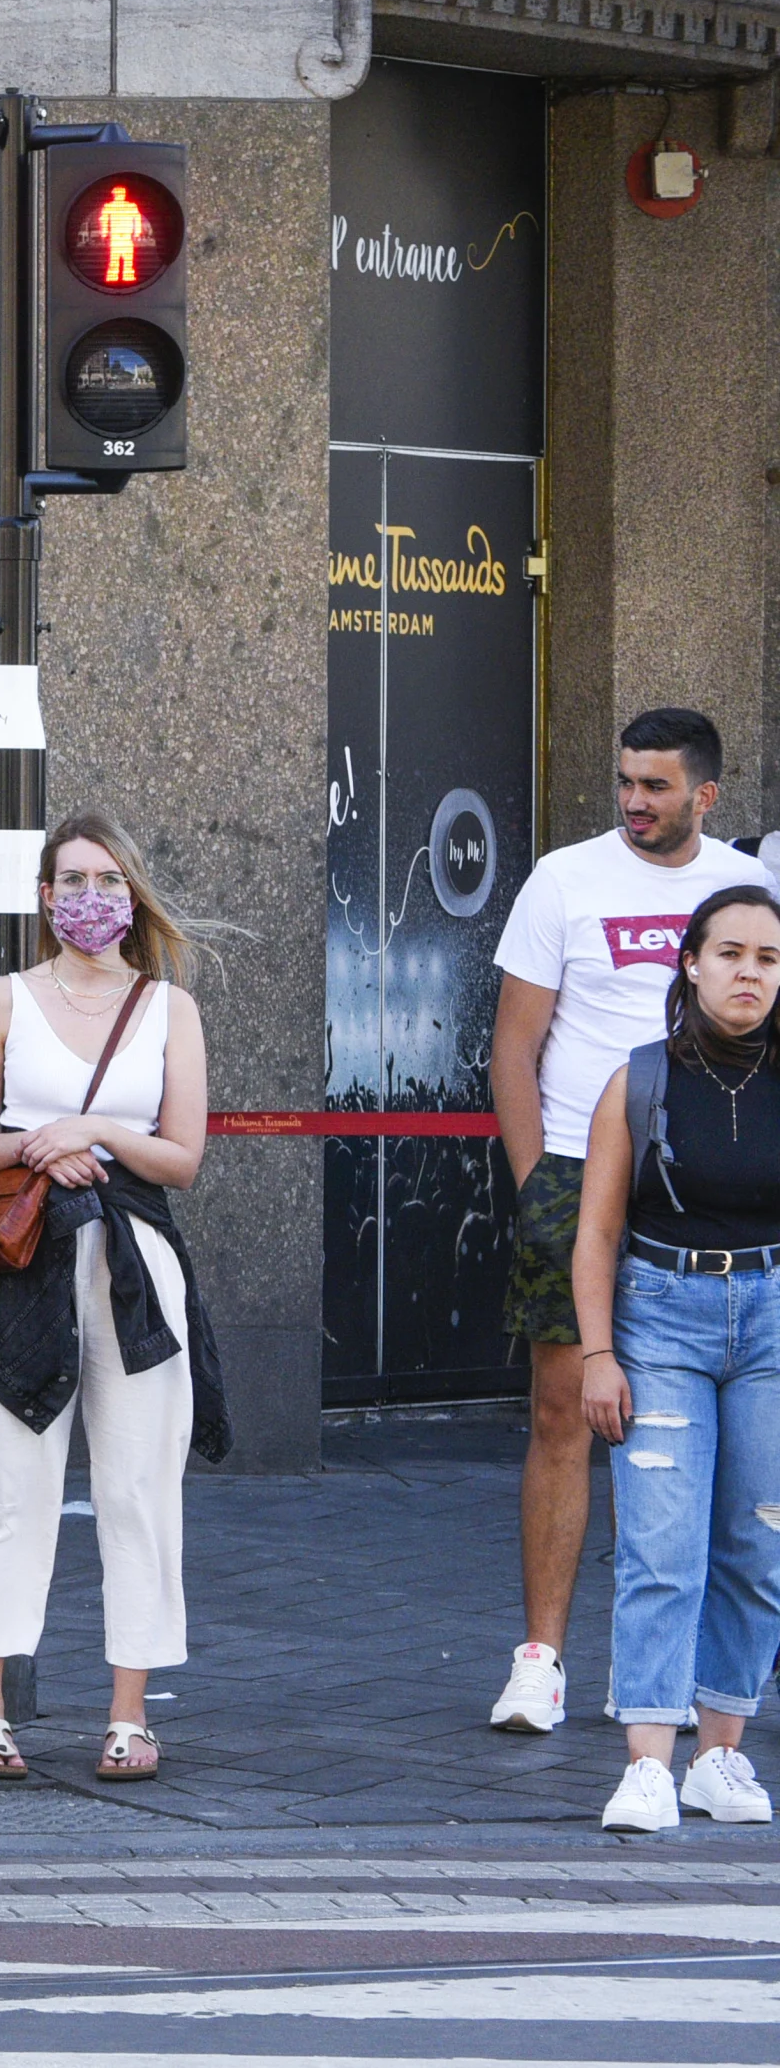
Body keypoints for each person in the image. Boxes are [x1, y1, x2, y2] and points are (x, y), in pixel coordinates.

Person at [486, 707, 771, 1737]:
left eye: (655, 786)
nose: (633, 801)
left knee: (710, 1445)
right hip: (571, 1165)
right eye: (625, 782)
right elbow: (513, 1047)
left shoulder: (750, 889)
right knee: (566, 1409)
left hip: (710, 1187)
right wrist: (536, 1189)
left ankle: (669, 1675)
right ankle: (542, 1660)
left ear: (705, 794)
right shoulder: (565, 879)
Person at [0, 813, 228, 1784]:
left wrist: (90, 1126)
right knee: (8, 1487)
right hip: (19, 1268)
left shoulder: (168, 1009)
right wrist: (37, 1145)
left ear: (132, 892)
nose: (91, 895)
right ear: (46, 895)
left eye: (109, 876)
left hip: (135, 1266)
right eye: (72, 878)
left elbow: (181, 1157)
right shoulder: (5, 999)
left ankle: (129, 1715)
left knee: (139, 1489)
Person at [577, 883, 780, 1831]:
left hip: (773, 1322)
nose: (749, 972)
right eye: (731, 952)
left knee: (757, 1543)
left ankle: (722, 1757)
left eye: (768, 958)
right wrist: (596, 1353)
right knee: (662, 1546)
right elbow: (596, 1233)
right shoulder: (641, 1077)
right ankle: (650, 1762)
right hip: (660, 1317)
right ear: (691, 963)